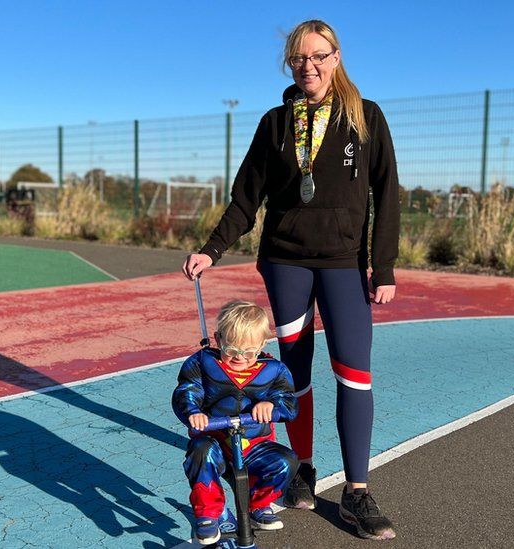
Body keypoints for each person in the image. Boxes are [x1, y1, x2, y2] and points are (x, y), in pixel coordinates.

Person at [180, 19, 399, 540]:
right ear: (290, 64)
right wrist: (212, 249)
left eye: (319, 56)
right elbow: (245, 197)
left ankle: (357, 492)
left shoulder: (365, 118)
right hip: (285, 262)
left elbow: (387, 195)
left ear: (337, 57)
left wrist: (382, 266)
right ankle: (301, 468)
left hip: (344, 264)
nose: (309, 67)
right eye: (299, 59)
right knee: (291, 373)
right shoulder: (275, 123)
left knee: (353, 373)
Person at [172, 300, 298, 546]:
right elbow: (188, 390)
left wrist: (272, 405)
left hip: (255, 444)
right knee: (200, 453)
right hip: (217, 440)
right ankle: (208, 513)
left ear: (262, 346)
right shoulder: (202, 363)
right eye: (231, 351)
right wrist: (193, 412)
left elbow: (289, 402)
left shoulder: (275, 370)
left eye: (249, 352)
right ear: (219, 340)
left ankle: (259, 504)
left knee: (286, 461)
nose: (240, 358)